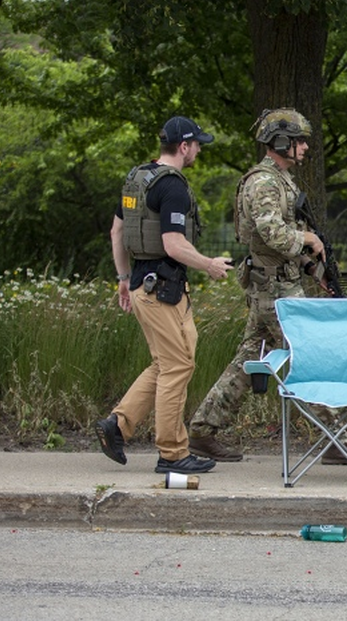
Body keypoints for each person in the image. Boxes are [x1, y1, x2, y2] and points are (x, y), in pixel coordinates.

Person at [186, 107, 344, 463]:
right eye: (300, 141)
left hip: (275, 283)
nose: (306, 147)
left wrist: (310, 266)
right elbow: (272, 233)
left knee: (250, 359)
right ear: (282, 142)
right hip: (275, 289)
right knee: (307, 354)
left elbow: (276, 241)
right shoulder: (264, 182)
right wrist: (308, 239)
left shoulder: (281, 179)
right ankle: (336, 440)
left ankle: (202, 431)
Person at [96, 116, 234, 474]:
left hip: (144, 285)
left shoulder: (138, 178)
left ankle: (118, 425)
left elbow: (116, 232)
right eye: (197, 144)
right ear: (184, 146)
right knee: (177, 366)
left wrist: (123, 277)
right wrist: (209, 264)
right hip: (162, 290)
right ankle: (172, 453)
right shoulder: (172, 187)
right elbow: (173, 245)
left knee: (169, 360)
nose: (199, 150)